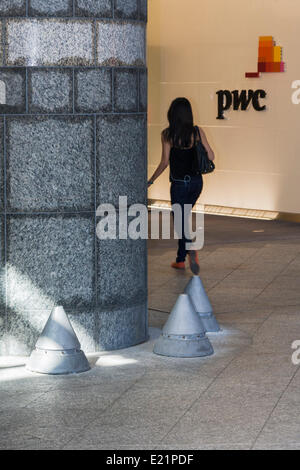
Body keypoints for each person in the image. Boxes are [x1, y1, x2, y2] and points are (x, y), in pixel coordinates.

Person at [147, 97, 215, 275]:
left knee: (180, 221)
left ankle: (191, 249)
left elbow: (164, 162)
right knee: (182, 219)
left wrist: (151, 180)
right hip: (196, 183)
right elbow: (211, 156)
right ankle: (180, 260)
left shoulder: (167, 135)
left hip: (179, 184)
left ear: (172, 114)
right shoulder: (197, 132)